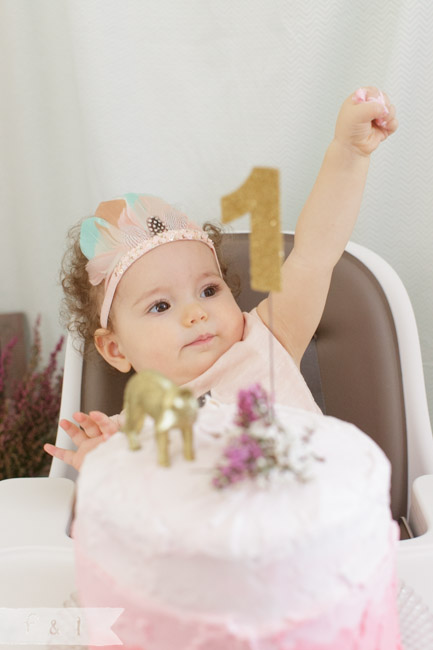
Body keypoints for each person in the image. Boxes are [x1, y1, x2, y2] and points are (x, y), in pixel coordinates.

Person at [44, 86, 398, 471]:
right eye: (160, 305)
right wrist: (102, 465)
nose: (196, 312)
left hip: (316, 521)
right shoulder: (128, 436)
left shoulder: (266, 342)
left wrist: (349, 152)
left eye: (209, 290)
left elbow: (315, 254)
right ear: (115, 349)